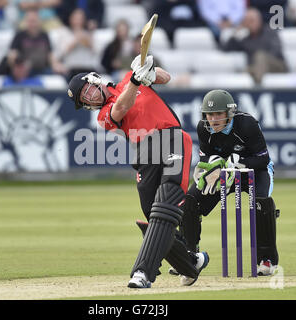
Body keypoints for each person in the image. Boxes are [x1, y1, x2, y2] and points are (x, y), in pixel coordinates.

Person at [66, 55, 209, 288]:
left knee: (167, 199)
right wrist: (136, 79)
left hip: (171, 138)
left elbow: (166, 77)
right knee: (152, 212)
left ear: (95, 80)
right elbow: (122, 106)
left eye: (87, 92)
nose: (89, 100)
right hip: (145, 150)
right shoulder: (103, 116)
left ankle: (143, 272)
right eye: (84, 101)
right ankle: (191, 262)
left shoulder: (127, 80)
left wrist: (149, 71)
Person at [176, 89, 279, 277]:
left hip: (255, 172)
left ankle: (267, 260)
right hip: (223, 173)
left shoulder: (247, 124)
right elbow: (206, 155)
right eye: (209, 114)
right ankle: (189, 256)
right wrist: (214, 164)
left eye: (218, 114)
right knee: (191, 200)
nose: (213, 119)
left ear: (229, 113)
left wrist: (237, 163)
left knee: (261, 203)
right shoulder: (203, 128)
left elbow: (263, 159)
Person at [222, 8, 288, 84]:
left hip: (277, 65)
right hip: (255, 68)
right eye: (246, 21)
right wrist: (236, 33)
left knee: (260, 56)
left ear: (259, 20)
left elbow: (276, 51)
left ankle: (257, 89)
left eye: (252, 20)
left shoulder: (270, 32)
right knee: (244, 71)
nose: (249, 23)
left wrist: (261, 60)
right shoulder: (245, 38)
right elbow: (226, 49)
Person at [7, 9, 67, 77]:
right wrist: (17, 64)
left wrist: (55, 65)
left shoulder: (44, 35)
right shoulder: (19, 35)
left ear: (39, 21)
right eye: (30, 21)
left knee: (63, 74)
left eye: (34, 21)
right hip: (25, 69)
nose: (32, 24)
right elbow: (13, 53)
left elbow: (49, 54)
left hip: (43, 68)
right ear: (26, 22)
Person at [56, 8, 98, 82]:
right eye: (76, 18)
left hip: (88, 69)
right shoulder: (64, 33)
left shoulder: (89, 34)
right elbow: (62, 53)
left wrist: (88, 37)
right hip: (72, 69)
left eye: (81, 19)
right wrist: (76, 40)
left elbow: (96, 51)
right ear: (70, 19)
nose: (78, 21)